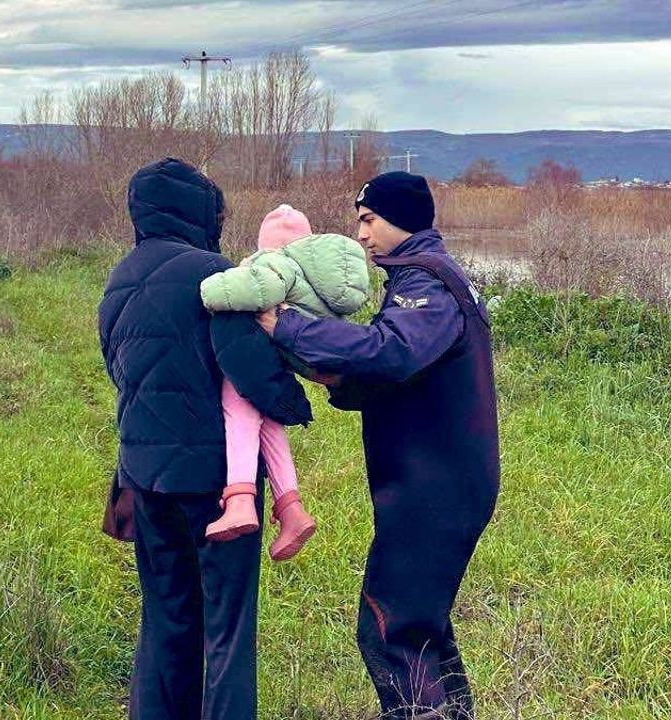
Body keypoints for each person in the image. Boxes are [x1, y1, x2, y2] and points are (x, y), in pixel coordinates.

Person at [258, 172, 500, 719]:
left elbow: (391, 351)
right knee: (422, 629)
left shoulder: (428, 285)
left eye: (369, 220)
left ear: (402, 219)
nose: (361, 235)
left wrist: (288, 327)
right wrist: (331, 376)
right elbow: (395, 373)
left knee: (391, 630)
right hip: (439, 483)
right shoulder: (422, 278)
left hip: (436, 489)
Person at [98, 158, 313, 720]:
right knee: (227, 630)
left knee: (165, 619)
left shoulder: (118, 280)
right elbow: (250, 368)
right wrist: (297, 403)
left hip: (144, 478)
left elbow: (118, 371)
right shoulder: (217, 276)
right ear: (199, 212)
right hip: (221, 484)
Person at [198, 204, 370, 560]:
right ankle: (291, 508)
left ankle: (240, 499)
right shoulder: (311, 274)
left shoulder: (278, 264)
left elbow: (255, 289)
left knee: (239, 410)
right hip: (294, 357)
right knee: (270, 425)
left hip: (261, 354)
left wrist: (213, 287)